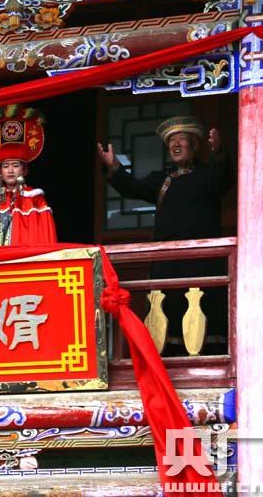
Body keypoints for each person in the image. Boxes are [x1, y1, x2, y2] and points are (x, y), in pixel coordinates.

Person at [97, 115, 233, 354]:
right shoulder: (163, 179)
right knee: (168, 311)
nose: (175, 144)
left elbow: (224, 177)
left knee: (206, 310)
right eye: (171, 141)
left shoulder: (208, 175)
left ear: (194, 145)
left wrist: (218, 152)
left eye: (181, 139)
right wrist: (114, 166)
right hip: (168, 263)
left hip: (204, 262)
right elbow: (134, 187)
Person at [0, 105, 57, 247]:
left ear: (24, 170)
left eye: (15, 166)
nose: (10, 170)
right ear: (0, 171)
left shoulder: (35, 200)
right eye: (5, 166)